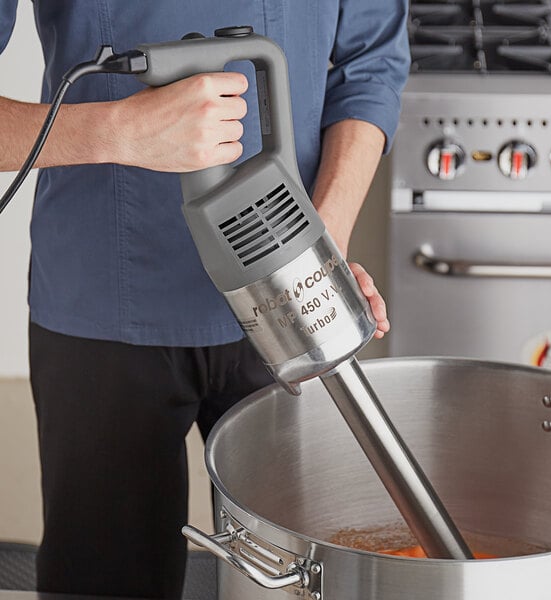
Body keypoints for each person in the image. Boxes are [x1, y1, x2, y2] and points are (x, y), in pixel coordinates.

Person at [0, 1, 410, 598]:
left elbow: (371, 64)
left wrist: (323, 237)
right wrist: (118, 129)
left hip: (292, 297)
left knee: (303, 579)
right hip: (104, 300)